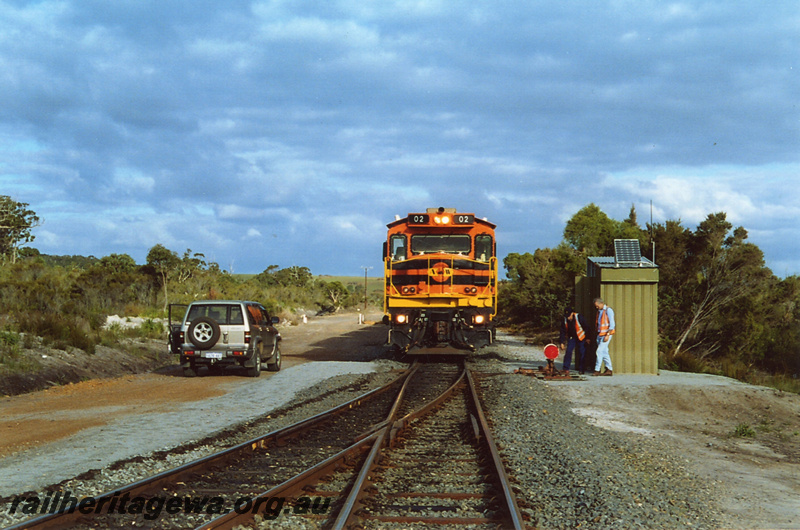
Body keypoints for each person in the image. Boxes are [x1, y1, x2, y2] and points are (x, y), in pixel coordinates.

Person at [559, 307, 590, 375]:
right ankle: (566, 368)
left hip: (581, 337)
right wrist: (562, 342)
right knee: (568, 352)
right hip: (572, 337)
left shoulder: (579, 317)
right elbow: (562, 332)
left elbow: (586, 327)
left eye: (569, 315)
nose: (568, 318)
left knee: (582, 352)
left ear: (572, 313)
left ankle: (582, 369)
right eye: (567, 316)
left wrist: (587, 338)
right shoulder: (564, 320)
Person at [593, 297, 615, 376]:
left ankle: (597, 370)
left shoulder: (608, 311)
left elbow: (612, 324)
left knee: (599, 351)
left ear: (601, 303)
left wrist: (608, 335)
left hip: (606, 334)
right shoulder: (599, 312)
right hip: (600, 334)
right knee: (604, 352)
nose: (596, 307)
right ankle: (609, 369)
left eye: (597, 305)